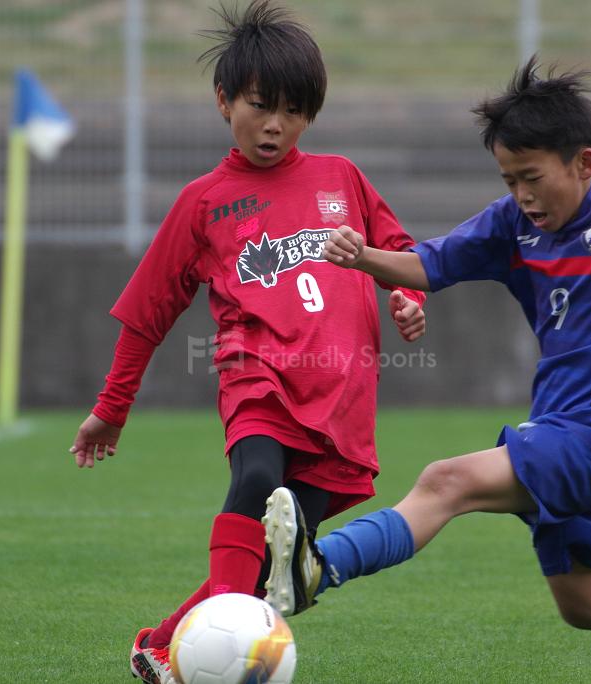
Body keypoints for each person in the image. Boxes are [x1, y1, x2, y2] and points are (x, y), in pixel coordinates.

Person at [262, 56, 591, 684]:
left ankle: (317, 567)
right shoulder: (510, 227)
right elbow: (429, 264)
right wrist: (364, 258)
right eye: (508, 179)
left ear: (584, 164)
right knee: (587, 605)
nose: (521, 194)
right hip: (558, 431)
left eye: (532, 177)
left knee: (446, 482)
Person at [67, 2, 427, 682]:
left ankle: (163, 644)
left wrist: (409, 294)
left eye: (294, 111)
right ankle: (217, 656)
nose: (275, 125)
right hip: (257, 374)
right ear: (223, 101)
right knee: (258, 481)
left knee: (278, 570)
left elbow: (401, 250)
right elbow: (149, 311)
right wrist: (112, 406)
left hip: (343, 393)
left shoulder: (341, 177)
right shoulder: (204, 202)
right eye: (261, 106)